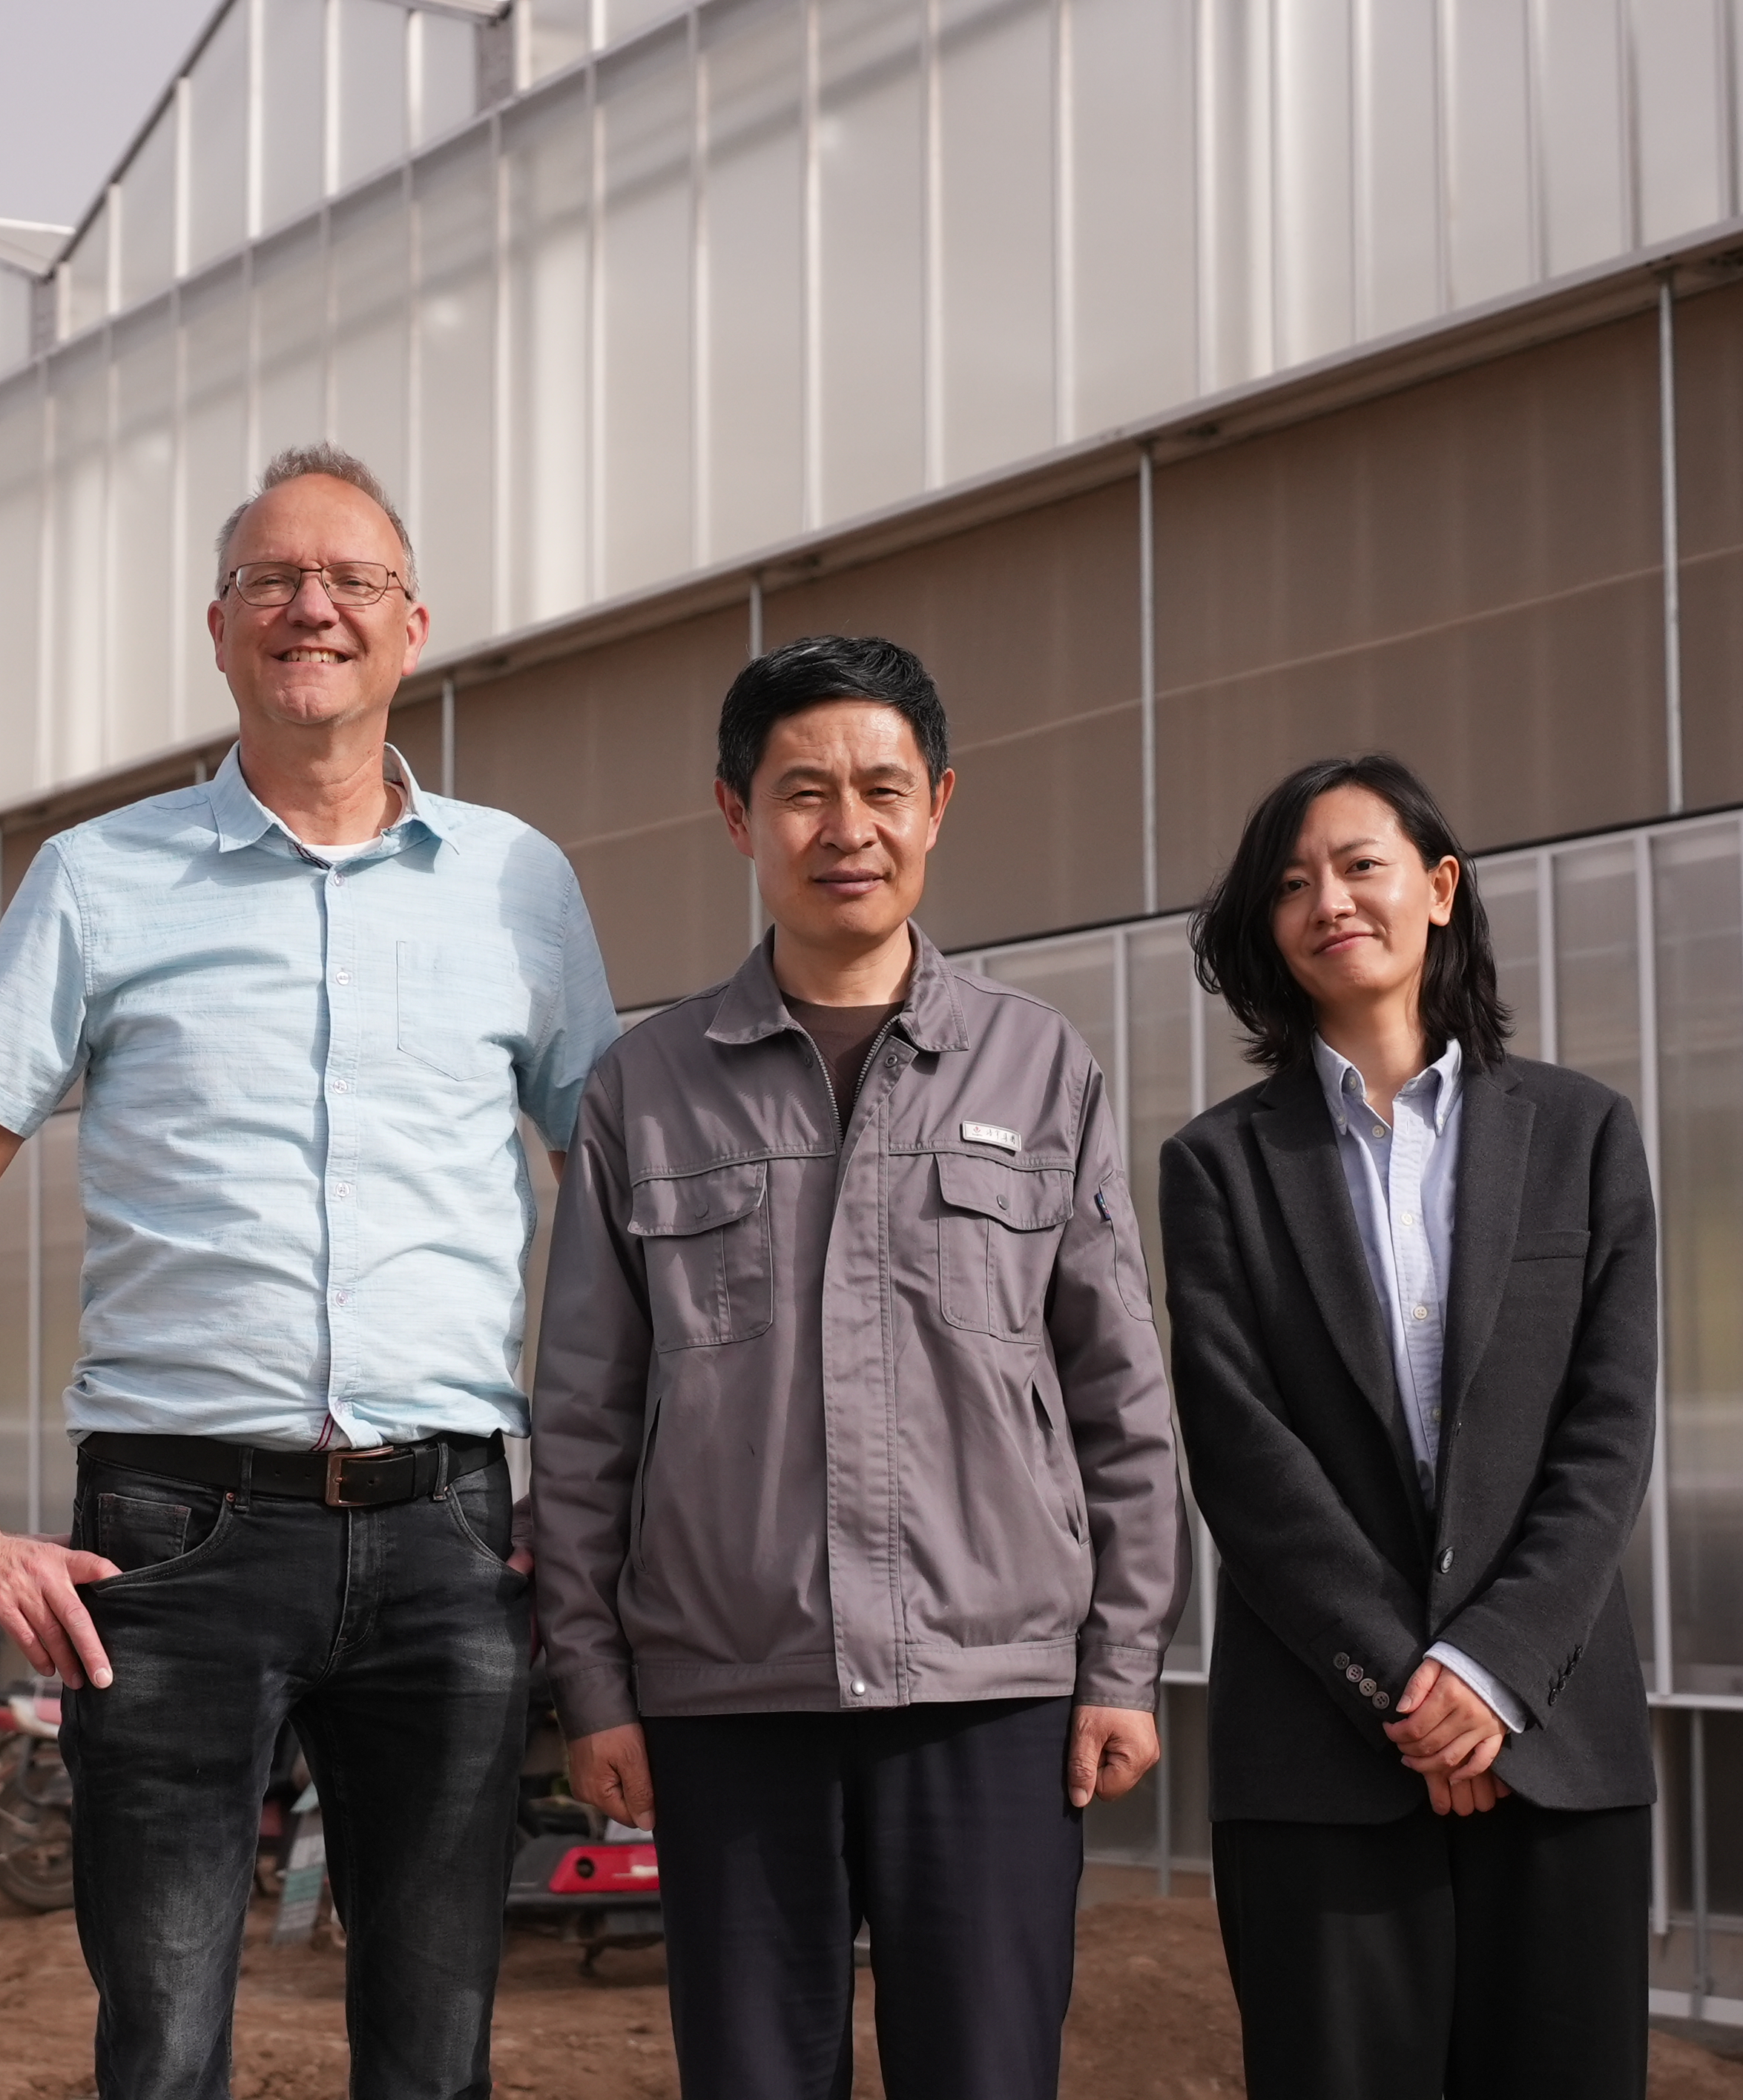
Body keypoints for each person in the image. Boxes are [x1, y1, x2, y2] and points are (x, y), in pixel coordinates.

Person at [0, 443, 618, 2100]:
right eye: (275, 581)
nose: (312, 609)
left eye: (351, 581)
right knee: (161, 2047)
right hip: (173, 1540)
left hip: (447, 1539)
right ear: (218, 628)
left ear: (412, 626)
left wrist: (586, 1491)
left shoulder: (519, 885)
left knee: (433, 2052)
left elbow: (617, 1203)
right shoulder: (97, 880)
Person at [532, 634, 1184, 2100]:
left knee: (987, 2075)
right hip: (728, 1697)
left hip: (991, 1690)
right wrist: (593, 1684)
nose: (847, 828)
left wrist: (1121, 1662)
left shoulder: (1035, 1067)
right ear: (735, 815)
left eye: (881, 788)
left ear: (937, 803)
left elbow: (1118, 1397)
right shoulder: (648, 1085)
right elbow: (582, 1416)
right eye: (803, 792)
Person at [1159, 754, 1658, 2100]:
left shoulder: (1582, 1134)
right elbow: (1243, 1451)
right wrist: (1406, 1690)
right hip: (1324, 1758)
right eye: (1291, 884)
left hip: (1555, 1742)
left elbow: (1607, 1434)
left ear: (1438, 888)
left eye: (1361, 865)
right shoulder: (1217, 1167)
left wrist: (1489, 1673)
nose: (1330, 900)